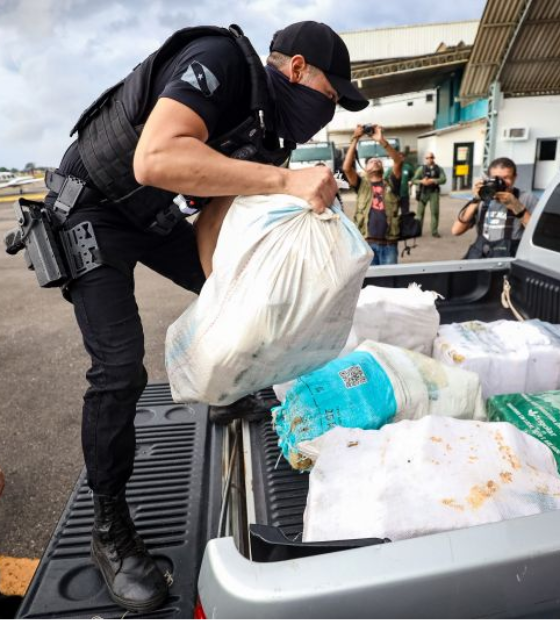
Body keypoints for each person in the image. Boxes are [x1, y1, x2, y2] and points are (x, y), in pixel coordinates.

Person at [38, 21, 368, 613]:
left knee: (242, 293)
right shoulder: (219, 61)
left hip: (147, 216)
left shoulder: (267, 136)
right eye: (331, 95)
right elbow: (156, 157)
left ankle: (222, 392)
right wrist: (284, 181)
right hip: (91, 209)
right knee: (118, 372)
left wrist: (239, 299)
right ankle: (109, 530)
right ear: (296, 69)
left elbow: (214, 237)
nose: (332, 110)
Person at [451, 157, 538, 259]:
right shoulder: (483, 198)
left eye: (506, 178)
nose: (500, 182)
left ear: (515, 177)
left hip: (508, 257)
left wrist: (516, 206)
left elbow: (537, 233)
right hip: (481, 254)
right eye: (496, 178)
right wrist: (475, 201)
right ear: (488, 178)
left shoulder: (527, 198)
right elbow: (456, 231)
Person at [342, 124, 403, 265]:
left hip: (389, 244)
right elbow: (346, 167)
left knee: (390, 283)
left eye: (378, 161)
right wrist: (355, 138)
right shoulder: (361, 185)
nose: (375, 161)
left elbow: (398, 161)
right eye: (371, 161)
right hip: (366, 245)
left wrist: (381, 140)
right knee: (370, 284)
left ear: (382, 168)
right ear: (365, 168)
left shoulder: (392, 183)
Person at [412, 152, 446, 237]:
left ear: (433, 158)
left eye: (431, 157)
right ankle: (418, 231)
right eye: (427, 158)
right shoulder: (421, 169)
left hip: (434, 192)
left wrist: (433, 180)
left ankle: (434, 231)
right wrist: (422, 181)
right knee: (420, 213)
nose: (429, 159)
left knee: (434, 212)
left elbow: (444, 179)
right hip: (423, 192)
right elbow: (414, 180)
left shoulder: (439, 169)